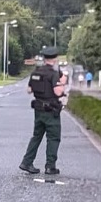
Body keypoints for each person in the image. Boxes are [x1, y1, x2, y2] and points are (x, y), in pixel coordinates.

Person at [19, 46, 66, 176]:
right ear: (55, 59)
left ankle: (26, 162)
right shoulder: (54, 73)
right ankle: (50, 166)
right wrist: (62, 84)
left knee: (36, 136)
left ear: (44, 58)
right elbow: (58, 91)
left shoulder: (36, 72)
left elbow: (29, 90)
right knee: (53, 138)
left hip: (38, 109)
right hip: (51, 110)